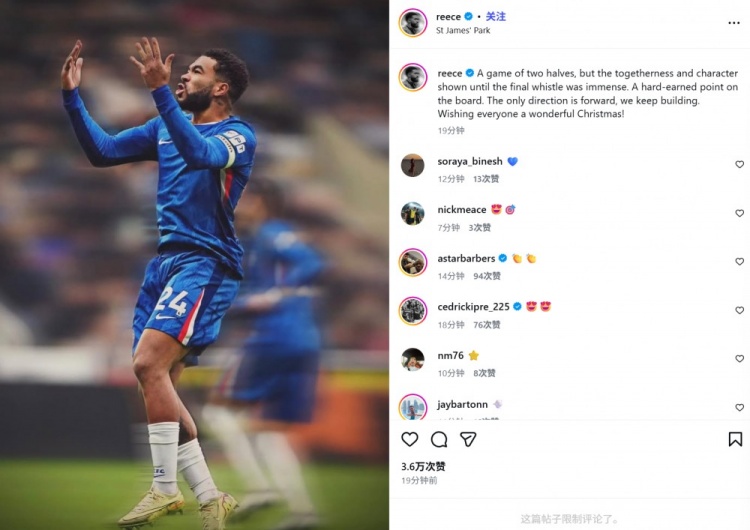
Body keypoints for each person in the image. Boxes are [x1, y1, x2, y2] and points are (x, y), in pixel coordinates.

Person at [61, 37, 254, 529]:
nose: (184, 74)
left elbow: (200, 154)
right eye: (185, 70)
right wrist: (71, 97)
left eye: (197, 70)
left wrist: (160, 93)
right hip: (164, 264)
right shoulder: (166, 126)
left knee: (148, 364)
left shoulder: (237, 136)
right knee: (157, 382)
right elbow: (103, 152)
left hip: (206, 263)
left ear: (221, 88)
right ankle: (210, 496)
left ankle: (165, 489)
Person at [203, 177, 324, 530]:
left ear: (261, 202)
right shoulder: (258, 241)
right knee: (268, 431)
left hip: (273, 339)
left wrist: (273, 295)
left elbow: (310, 262)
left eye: (242, 197)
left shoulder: (272, 233)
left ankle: (259, 488)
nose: (235, 203)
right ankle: (303, 512)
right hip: (304, 341)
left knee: (217, 413)